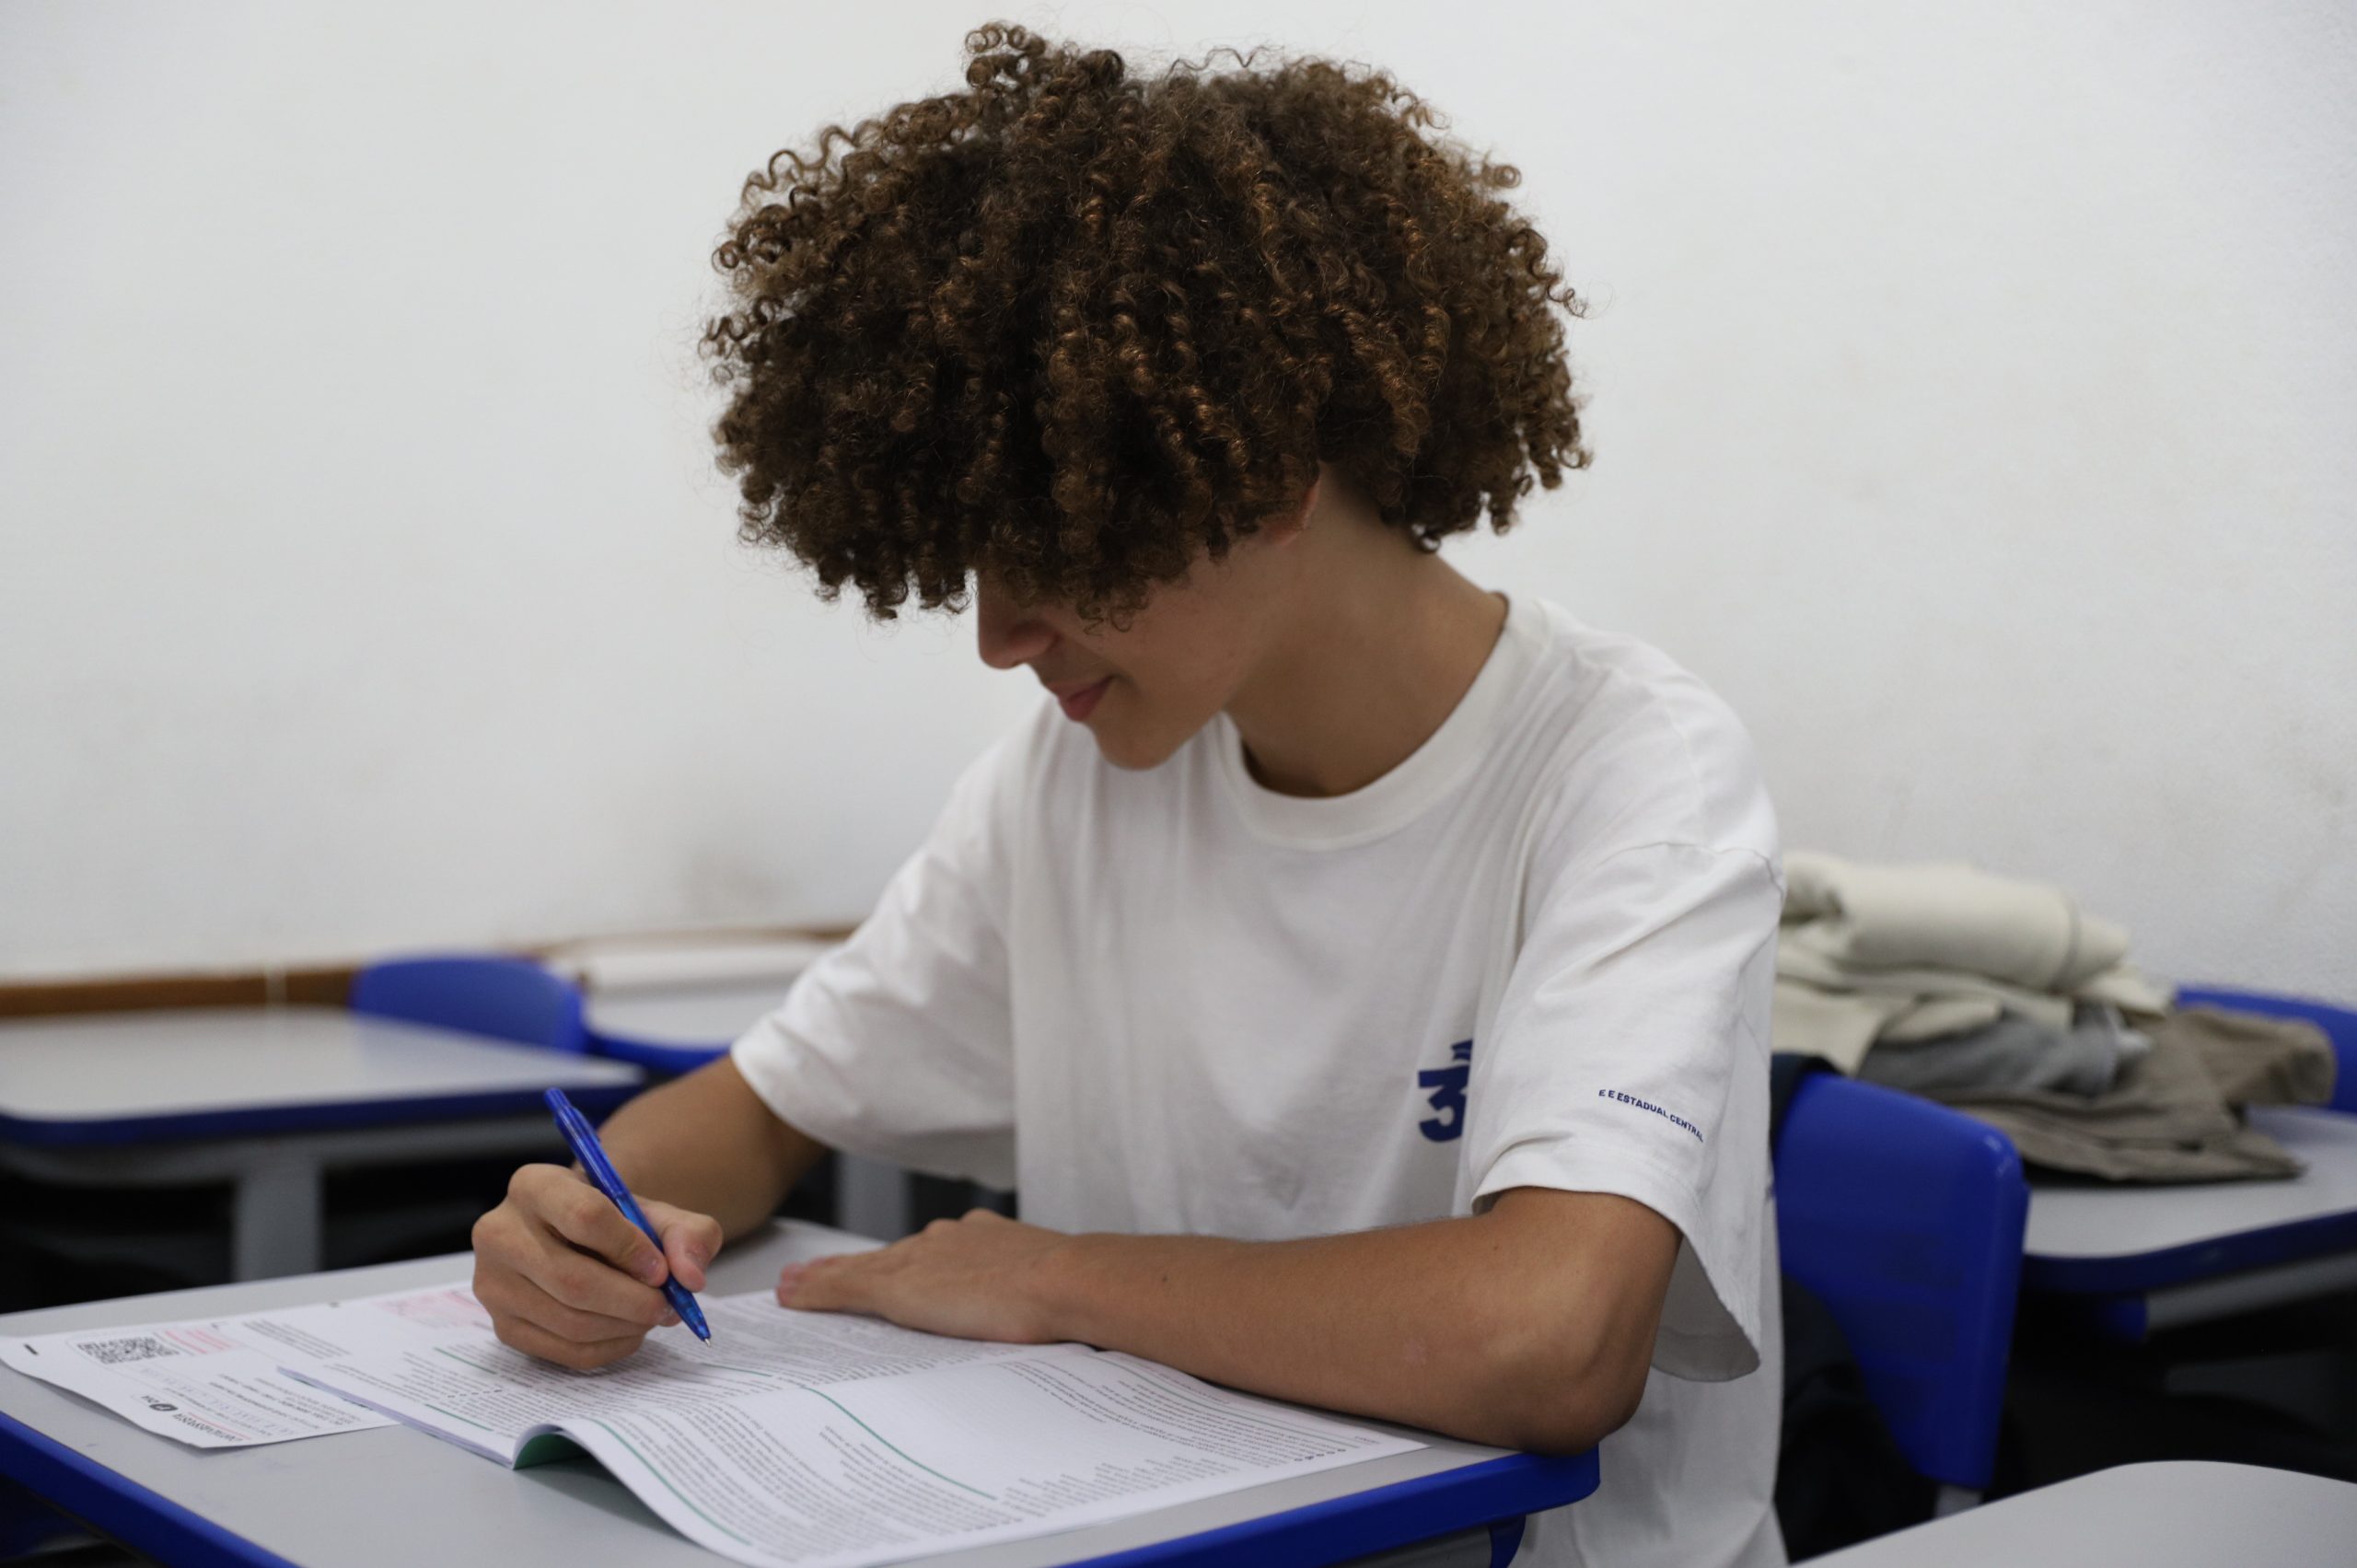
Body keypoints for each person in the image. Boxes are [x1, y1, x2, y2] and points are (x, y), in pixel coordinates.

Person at [470, 23, 1786, 1568]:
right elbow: (758, 1114)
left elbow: (1551, 1340)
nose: (997, 636)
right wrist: (587, 1229)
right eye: (972, 560)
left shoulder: (1628, 772)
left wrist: (1055, 1276)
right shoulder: (1072, 787)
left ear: (1271, 469)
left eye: (1058, 547)